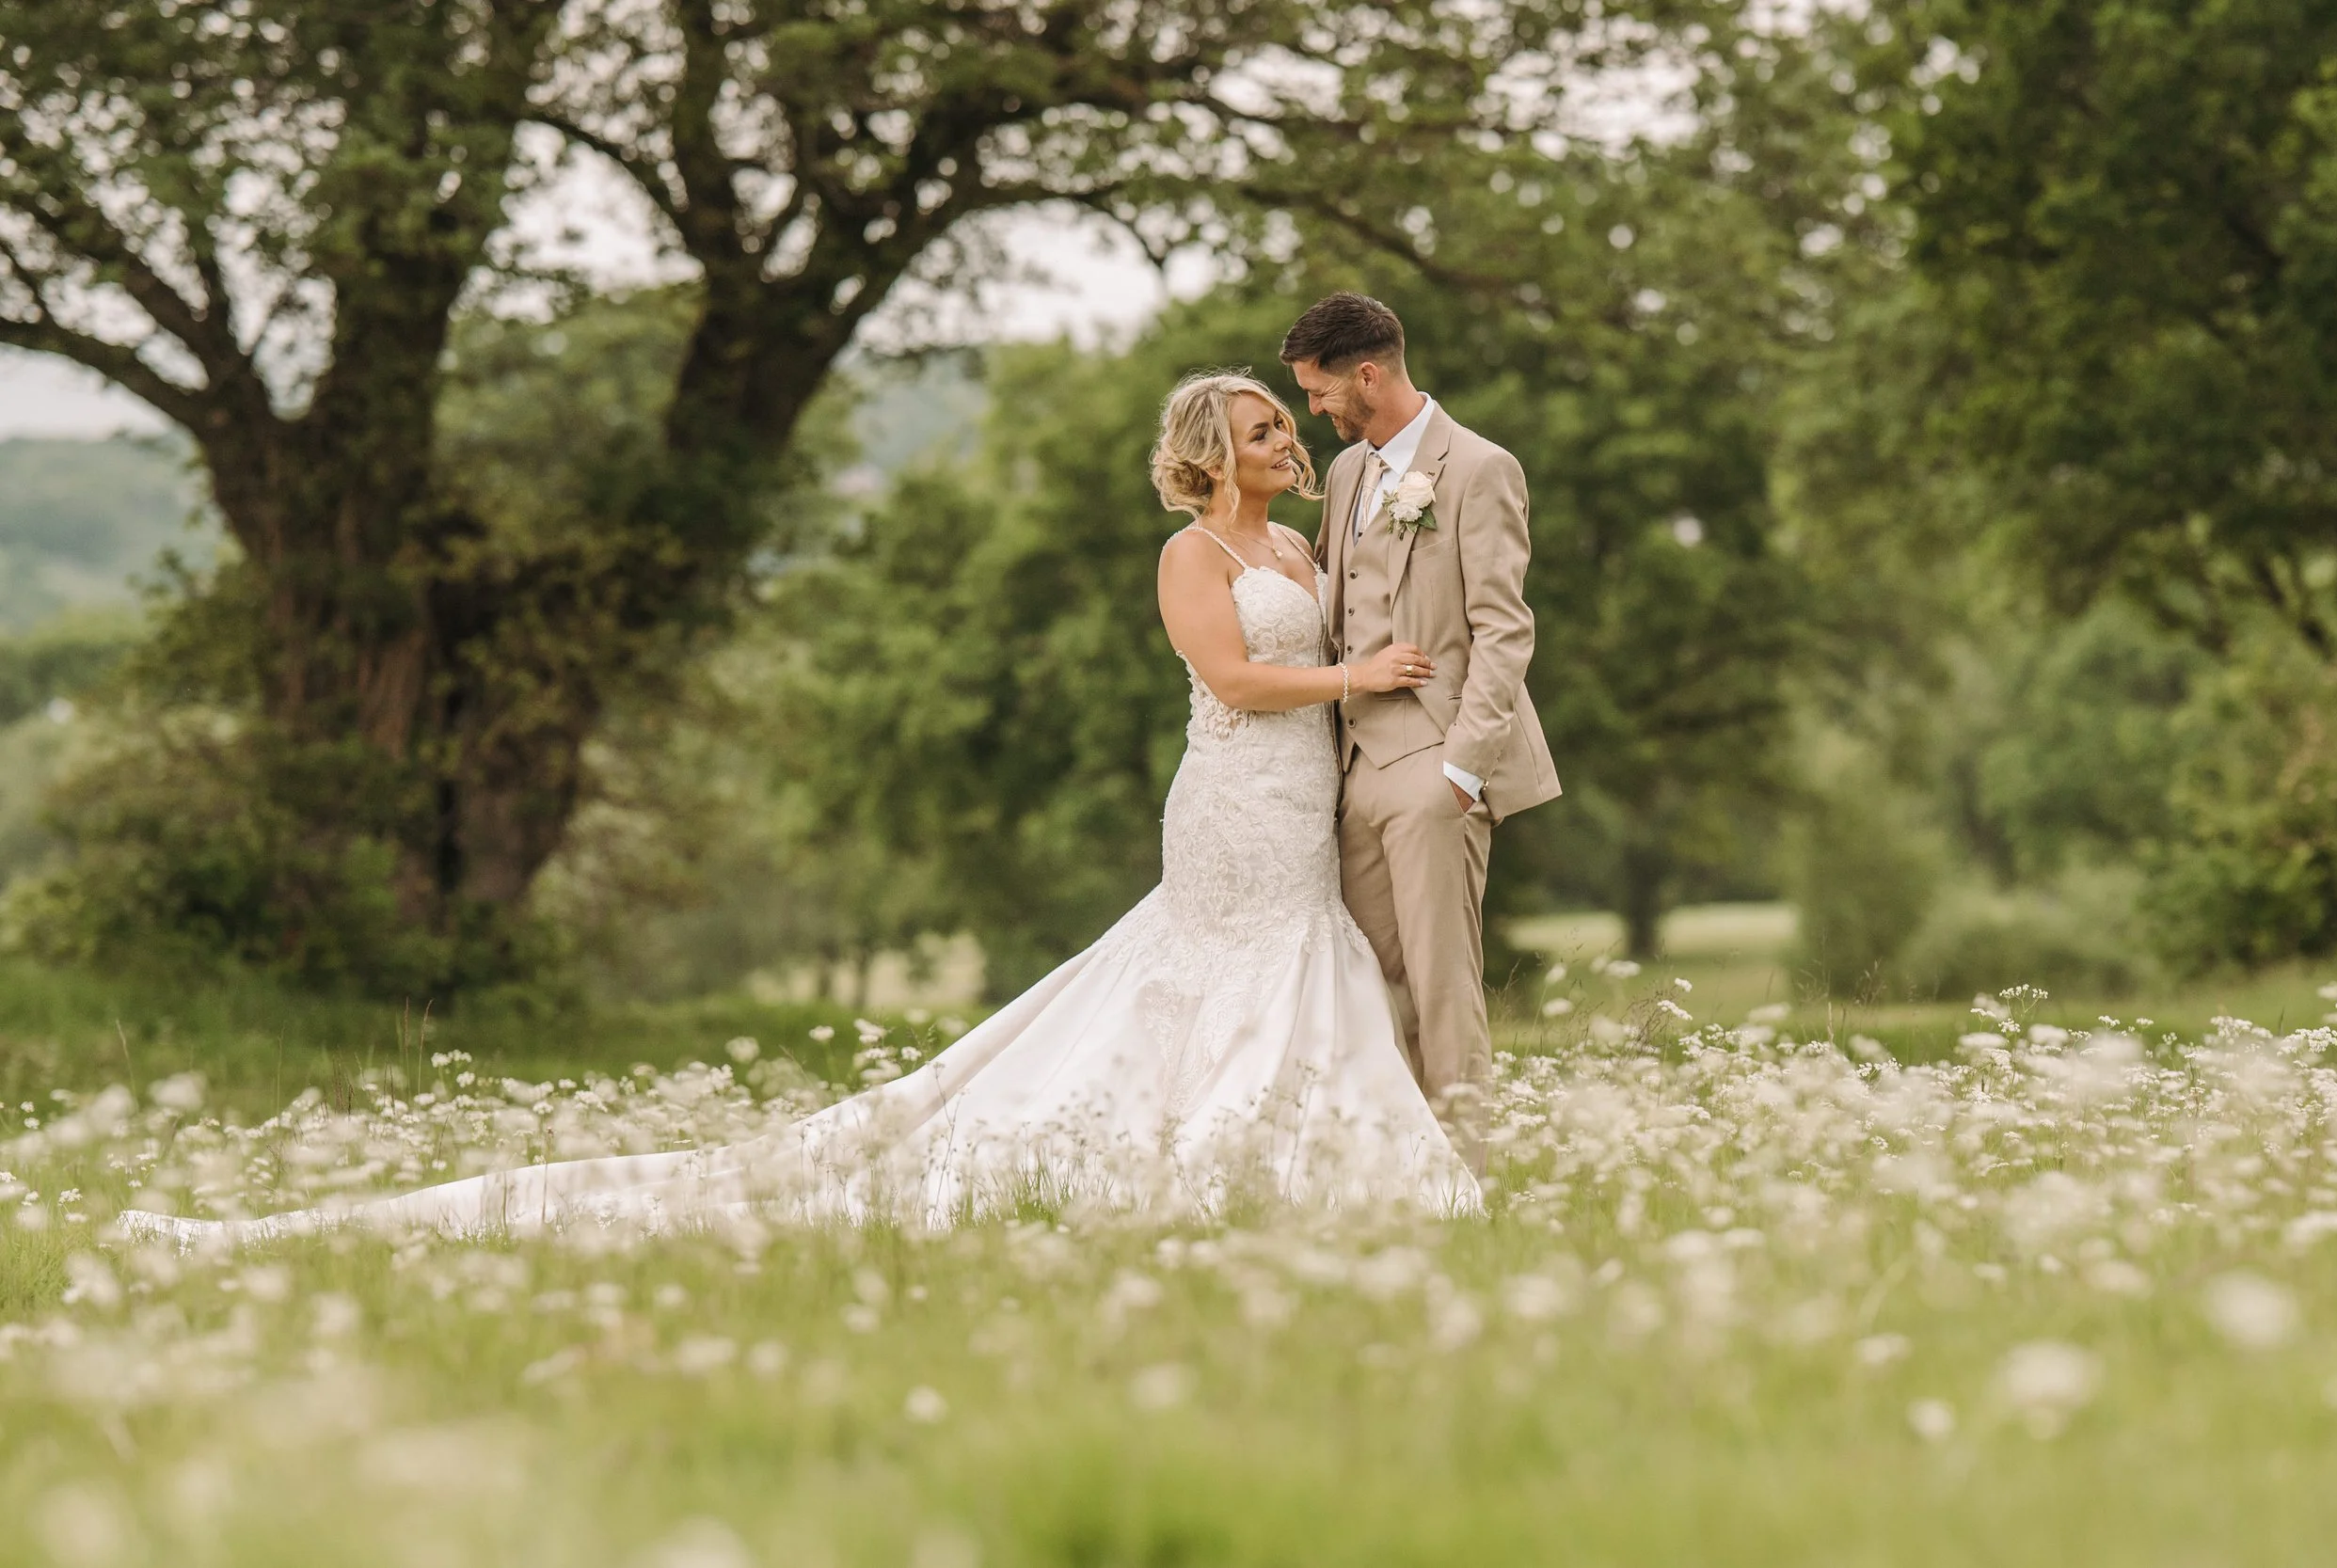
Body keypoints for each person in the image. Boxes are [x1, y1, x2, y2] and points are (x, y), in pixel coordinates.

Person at [121, 371, 1478, 1245]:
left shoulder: (1302, 538)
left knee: (1304, 953)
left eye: (1279, 421)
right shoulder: (1190, 554)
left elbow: (1352, 635)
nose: (1280, 436)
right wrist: (1353, 669)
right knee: (1212, 964)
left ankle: (1312, 1153)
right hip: (1231, 797)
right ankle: (1177, 1153)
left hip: (1307, 798)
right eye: (1257, 425)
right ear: (1206, 452)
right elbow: (1233, 672)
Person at [1282, 293, 1561, 1170]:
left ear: (1367, 374)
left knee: (1444, 990)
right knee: (1373, 991)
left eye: (1321, 393)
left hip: (1435, 763)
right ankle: (1405, 1173)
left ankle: (1466, 1176)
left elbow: (1504, 629)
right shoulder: (1350, 475)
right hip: (1351, 766)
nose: (1314, 412)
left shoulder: (1479, 468)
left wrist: (1463, 772)